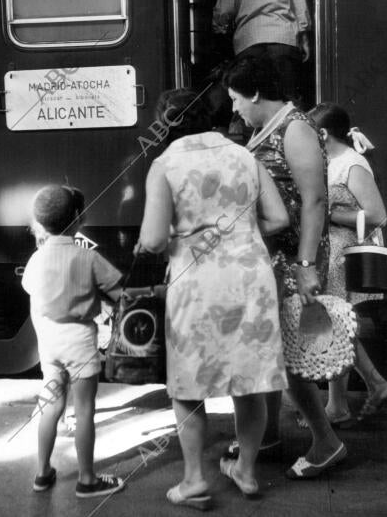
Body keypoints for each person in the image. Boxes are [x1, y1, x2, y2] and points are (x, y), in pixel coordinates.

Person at [136, 88, 290, 507]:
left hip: (195, 280)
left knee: (188, 382)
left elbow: (152, 239)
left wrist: (179, 236)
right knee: (250, 378)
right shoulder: (245, 156)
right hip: (249, 278)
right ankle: (246, 471)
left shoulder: (164, 165)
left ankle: (193, 480)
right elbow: (278, 218)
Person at [223, 55, 347, 479]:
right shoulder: (268, 127)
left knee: (287, 350)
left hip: (296, 257)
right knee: (274, 345)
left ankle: (326, 441)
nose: (235, 108)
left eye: (237, 98)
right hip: (278, 256)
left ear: (256, 93)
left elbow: (315, 200)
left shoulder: (294, 129)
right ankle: (271, 434)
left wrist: (307, 264)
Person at [21, 185, 125, 498]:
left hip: (50, 344)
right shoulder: (88, 257)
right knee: (83, 411)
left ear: (40, 223)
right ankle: (87, 480)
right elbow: (120, 292)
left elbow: (32, 292)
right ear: (78, 218)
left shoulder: (36, 259)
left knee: (50, 407)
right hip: (80, 343)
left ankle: (42, 473)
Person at [307, 102, 387, 423]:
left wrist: (331, 214)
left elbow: (377, 215)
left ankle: (363, 391)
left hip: (342, 254)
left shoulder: (351, 163)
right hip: (330, 252)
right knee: (338, 326)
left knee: (335, 326)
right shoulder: (331, 162)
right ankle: (350, 399)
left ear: (322, 133)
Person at [212, 0, 311, 104]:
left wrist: (220, 33)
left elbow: (222, 13)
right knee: (288, 97)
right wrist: (305, 40)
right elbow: (300, 8)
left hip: (248, 42)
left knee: (251, 97)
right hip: (283, 40)